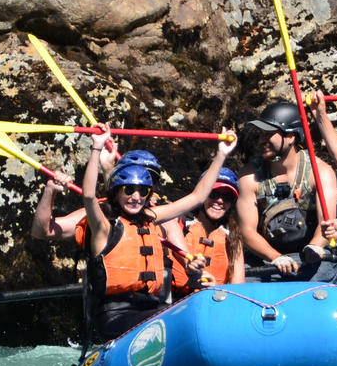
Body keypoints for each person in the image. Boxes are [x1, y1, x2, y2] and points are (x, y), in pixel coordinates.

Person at [78, 124, 237, 340]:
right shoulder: (103, 227)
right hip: (114, 315)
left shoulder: (150, 218)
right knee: (172, 317)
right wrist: (96, 148)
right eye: (129, 190)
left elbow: (197, 197)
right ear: (115, 193)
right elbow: (88, 196)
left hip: (151, 308)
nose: (136, 197)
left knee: (190, 309)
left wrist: (221, 154)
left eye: (143, 191)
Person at [236, 101, 337, 281]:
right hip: (268, 257)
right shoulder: (249, 175)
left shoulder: (319, 172)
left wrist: (314, 247)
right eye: (261, 134)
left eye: (269, 134)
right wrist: (276, 257)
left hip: (311, 256)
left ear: (291, 137)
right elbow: (246, 230)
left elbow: (326, 223)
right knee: (244, 279)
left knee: (317, 278)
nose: (262, 140)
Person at [31, 146, 190, 258]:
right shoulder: (97, 215)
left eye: (149, 178)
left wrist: (195, 269)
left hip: (160, 303)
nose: (141, 180)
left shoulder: (167, 222)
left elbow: (193, 270)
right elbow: (42, 231)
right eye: (131, 178)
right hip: (109, 303)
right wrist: (50, 191)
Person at [170, 166, 246, 297]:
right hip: (175, 303)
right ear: (202, 194)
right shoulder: (176, 223)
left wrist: (217, 288)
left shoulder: (232, 236)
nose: (220, 201)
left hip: (212, 302)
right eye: (214, 193)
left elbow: (238, 289)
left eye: (227, 197)